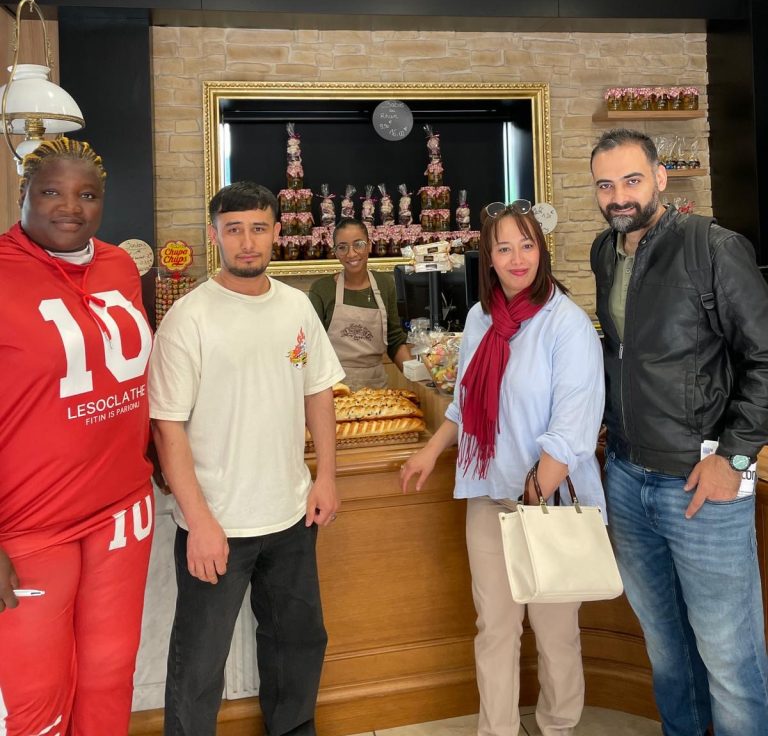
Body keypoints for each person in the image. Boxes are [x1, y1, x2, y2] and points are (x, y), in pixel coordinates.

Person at [401, 201, 605, 736]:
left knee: (554, 628)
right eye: (504, 248)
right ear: (488, 259)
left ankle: (559, 725)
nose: (518, 259)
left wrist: (535, 493)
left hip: (549, 500)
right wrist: (432, 449)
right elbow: (466, 401)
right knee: (494, 627)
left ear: (542, 249)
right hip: (490, 496)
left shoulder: (567, 324)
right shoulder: (480, 317)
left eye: (527, 244)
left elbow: (574, 425)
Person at [590, 127, 768, 736]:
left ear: (661, 178)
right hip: (628, 478)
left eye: (632, 180)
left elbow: (764, 359)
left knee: (728, 657)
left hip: (701, 486)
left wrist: (737, 457)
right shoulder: (603, 251)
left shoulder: (712, 246)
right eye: (606, 184)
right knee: (667, 651)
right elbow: (624, 355)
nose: (619, 196)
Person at [149, 181, 344, 736]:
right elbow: (168, 428)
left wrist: (325, 476)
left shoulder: (297, 306)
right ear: (215, 236)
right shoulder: (189, 318)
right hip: (216, 524)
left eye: (258, 228)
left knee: (298, 645)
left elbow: (318, 392)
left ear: (278, 233)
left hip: (290, 515)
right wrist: (202, 522)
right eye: (233, 230)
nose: (248, 242)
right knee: (199, 663)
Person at [0, 137, 154, 735]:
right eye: (51, 192)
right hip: (29, 525)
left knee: (110, 677)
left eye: (87, 194)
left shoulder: (118, 265)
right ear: (24, 197)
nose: (71, 207)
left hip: (120, 510)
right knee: (34, 698)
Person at [308, 217, 411, 390]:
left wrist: (417, 377)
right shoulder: (321, 289)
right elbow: (312, 347)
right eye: (342, 247)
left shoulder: (385, 284)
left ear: (369, 245)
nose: (351, 254)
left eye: (359, 244)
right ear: (335, 251)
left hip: (377, 390)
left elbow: (394, 340)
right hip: (334, 389)